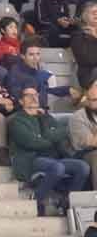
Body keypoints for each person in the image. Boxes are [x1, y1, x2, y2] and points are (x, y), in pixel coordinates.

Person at [9, 85, 90, 216]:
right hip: (31, 159)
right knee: (57, 168)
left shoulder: (46, 117)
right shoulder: (17, 120)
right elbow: (31, 142)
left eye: (35, 95)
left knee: (83, 167)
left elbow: (63, 132)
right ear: (21, 101)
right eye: (28, 95)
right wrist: (50, 138)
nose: (34, 97)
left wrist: (46, 134)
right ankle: (37, 199)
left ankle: (66, 203)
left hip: (53, 158)